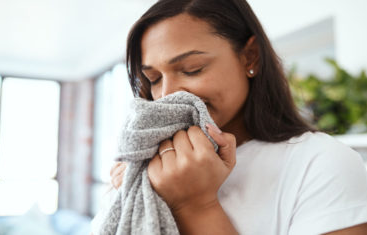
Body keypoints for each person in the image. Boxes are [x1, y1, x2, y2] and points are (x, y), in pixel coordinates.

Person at [93, 0, 367, 234]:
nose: (167, 95)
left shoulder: (322, 163)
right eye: (153, 78)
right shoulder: (143, 168)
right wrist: (134, 191)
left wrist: (195, 206)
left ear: (250, 57)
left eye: (192, 69)